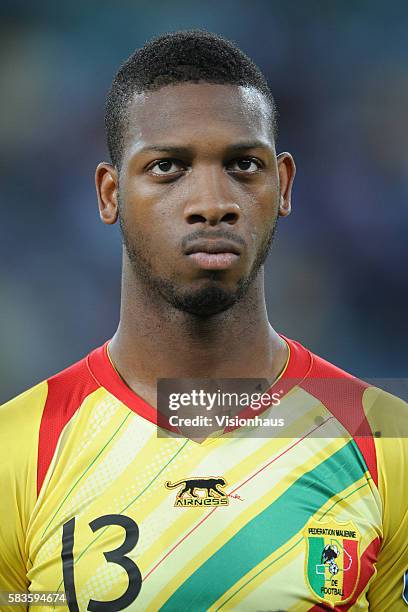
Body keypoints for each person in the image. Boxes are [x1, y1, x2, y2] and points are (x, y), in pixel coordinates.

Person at [0, 30, 407, 611]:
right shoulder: (16, 450)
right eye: (168, 167)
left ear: (283, 185)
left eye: (243, 164)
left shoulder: (387, 442)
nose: (212, 201)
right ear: (109, 193)